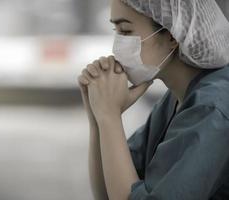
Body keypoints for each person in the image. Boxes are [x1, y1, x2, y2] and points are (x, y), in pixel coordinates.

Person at [77, 0, 229, 199]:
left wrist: (109, 116)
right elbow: (108, 192)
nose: (116, 48)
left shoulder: (212, 108)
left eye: (125, 31)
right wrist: (98, 119)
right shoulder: (175, 100)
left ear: (172, 35)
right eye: (115, 30)